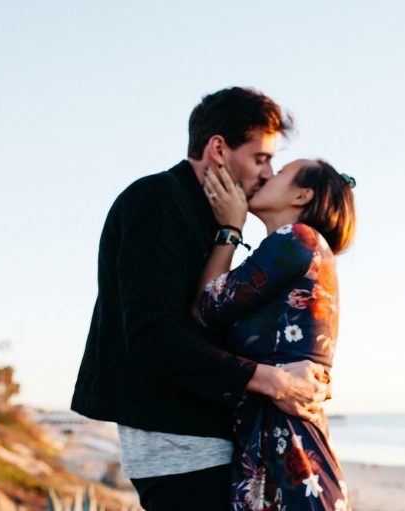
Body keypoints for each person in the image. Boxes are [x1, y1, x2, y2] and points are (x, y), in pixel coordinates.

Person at [70, 87, 329, 510]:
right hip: (178, 443)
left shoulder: (214, 215)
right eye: (260, 158)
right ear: (219, 149)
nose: (268, 173)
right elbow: (152, 337)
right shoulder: (157, 199)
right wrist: (273, 381)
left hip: (207, 434)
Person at [195, 159, 356, 510]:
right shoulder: (299, 249)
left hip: (290, 449)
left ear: (301, 195)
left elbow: (208, 306)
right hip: (282, 444)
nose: (268, 174)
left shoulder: (296, 238)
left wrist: (229, 229)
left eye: (281, 172)